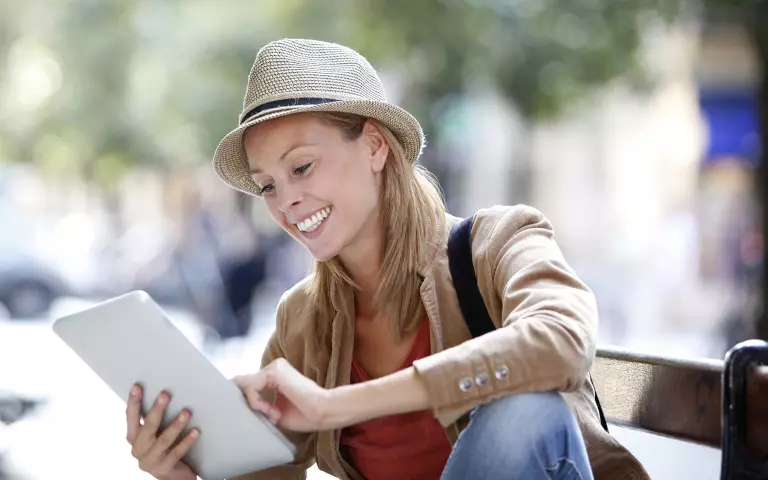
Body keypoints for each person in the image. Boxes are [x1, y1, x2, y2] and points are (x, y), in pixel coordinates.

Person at [124, 39, 649, 480]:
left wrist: (336, 406)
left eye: (302, 167)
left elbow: (562, 343)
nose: (285, 201)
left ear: (375, 146)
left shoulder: (499, 242)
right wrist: (184, 472)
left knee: (522, 413)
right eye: (267, 186)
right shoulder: (304, 320)